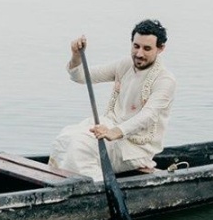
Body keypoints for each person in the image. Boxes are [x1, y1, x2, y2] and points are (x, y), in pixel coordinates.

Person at [48, 19, 175, 181]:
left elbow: (148, 116)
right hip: (109, 128)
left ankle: (95, 188)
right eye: (136, 46)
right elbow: (81, 76)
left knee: (79, 147)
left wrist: (114, 132)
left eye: (147, 48)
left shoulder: (165, 80)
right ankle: (60, 184)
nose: (139, 54)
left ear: (160, 48)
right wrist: (76, 56)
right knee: (65, 138)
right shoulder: (125, 65)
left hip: (135, 148)